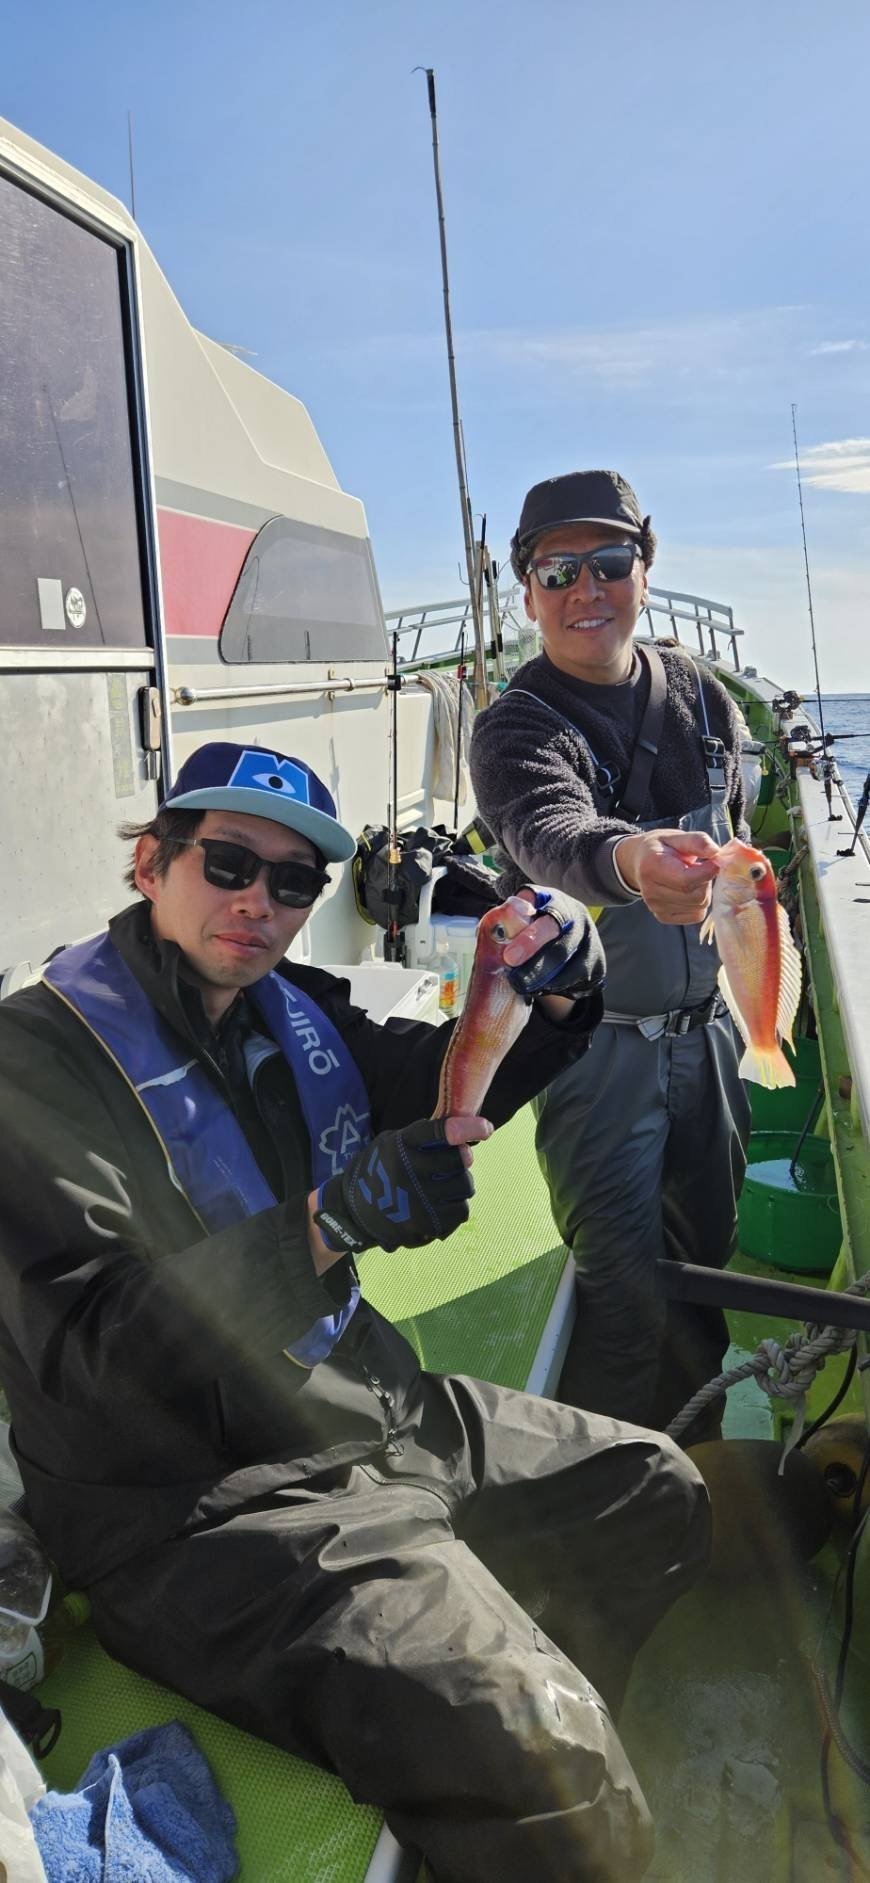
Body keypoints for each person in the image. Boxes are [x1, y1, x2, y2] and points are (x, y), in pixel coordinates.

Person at [0, 740, 710, 1883]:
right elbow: (91, 1353)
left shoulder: (292, 1008)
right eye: (228, 862)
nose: (260, 900)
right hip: (197, 1507)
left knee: (652, 1486)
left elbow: (448, 1082)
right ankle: (523, 1752)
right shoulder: (32, 1064)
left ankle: (511, 1724)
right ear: (150, 862)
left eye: (294, 881)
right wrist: (330, 1223)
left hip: (374, 1407)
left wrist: (557, 999)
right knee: (546, 1757)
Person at [471, 470, 752, 1444]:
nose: (586, 588)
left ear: (644, 568)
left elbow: (744, 831)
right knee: (622, 1297)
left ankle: (700, 1456)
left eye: (609, 561)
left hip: (714, 1039)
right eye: (558, 570)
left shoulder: (703, 696)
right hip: (600, 1055)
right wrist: (633, 861)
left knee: (708, 1267)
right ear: (527, 592)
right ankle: (620, 1493)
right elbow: (552, 830)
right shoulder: (516, 725)